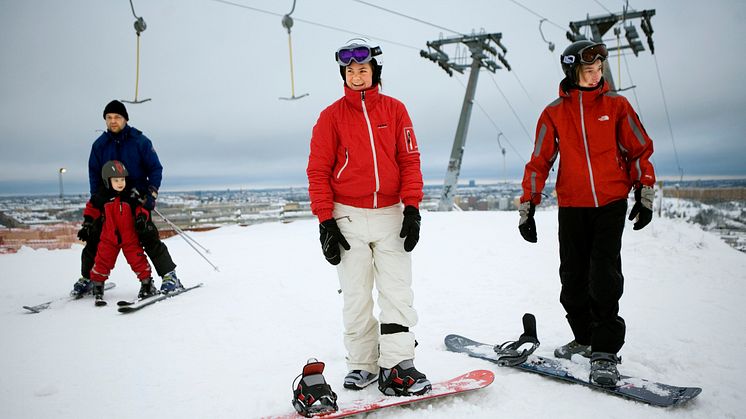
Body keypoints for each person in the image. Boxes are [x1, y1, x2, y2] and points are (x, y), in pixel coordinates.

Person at [517, 40, 656, 387]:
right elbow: (539, 160)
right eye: (588, 70)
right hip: (573, 204)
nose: (596, 76)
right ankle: (584, 338)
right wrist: (528, 205)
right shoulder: (554, 113)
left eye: (599, 70)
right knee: (572, 280)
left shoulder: (617, 105)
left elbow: (639, 149)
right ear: (572, 72)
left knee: (604, 275)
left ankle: (606, 351)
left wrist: (644, 192)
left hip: (611, 201)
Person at [306, 39, 430, 396]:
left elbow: (410, 161)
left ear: (375, 71)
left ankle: (398, 363)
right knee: (356, 294)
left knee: (397, 292)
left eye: (362, 69)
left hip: (391, 213)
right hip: (347, 216)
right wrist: (325, 221)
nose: (356, 75)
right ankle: (362, 363)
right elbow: (318, 170)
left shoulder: (395, 111)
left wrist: (412, 209)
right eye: (350, 71)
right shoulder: (331, 117)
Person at [73, 100, 182, 297]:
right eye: (109, 118)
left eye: (117, 117)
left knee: (148, 236)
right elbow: (94, 174)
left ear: (125, 119)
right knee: (95, 238)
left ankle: (170, 276)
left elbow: (155, 169)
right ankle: (88, 278)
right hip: (108, 201)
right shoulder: (99, 145)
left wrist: (151, 194)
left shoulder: (140, 141)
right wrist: (97, 201)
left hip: (136, 198)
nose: (113, 121)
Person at [87, 160, 155, 302]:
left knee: (138, 260)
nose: (120, 183)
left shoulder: (130, 196)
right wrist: (87, 223)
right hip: (108, 238)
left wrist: (142, 218)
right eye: (116, 180)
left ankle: (147, 283)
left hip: (129, 237)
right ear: (107, 181)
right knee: (102, 260)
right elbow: (91, 208)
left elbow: (141, 208)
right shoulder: (102, 197)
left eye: (122, 179)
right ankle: (98, 284)